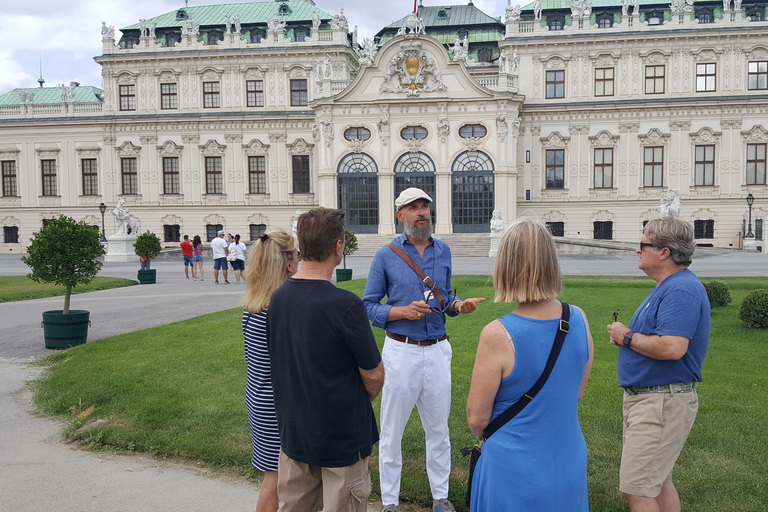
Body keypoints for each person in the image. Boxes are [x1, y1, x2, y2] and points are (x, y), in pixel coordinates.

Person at [362, 188, 485, 512]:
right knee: (391, 431)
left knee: (438, 430)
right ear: (399, 215)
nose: (422, 212)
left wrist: (460, 305)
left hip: (438, 351)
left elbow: (443, 300)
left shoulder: (442, 250)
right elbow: (367, 306)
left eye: (425, 207)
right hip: (401, 351)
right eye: (413, 207)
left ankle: (440, 499)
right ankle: (389, 502)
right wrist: (401, 312)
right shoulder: (385, 254)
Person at [466, 219, 594, 511]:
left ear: (506, 266)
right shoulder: (578, 318)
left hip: (513, 471)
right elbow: (574, 393)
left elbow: (477, 419)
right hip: (568, 460)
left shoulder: (498, 334)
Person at [268, 208, 384, 512]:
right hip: (341, 438)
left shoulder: (278, 298)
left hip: (295, 431)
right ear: (338, 247)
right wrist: (357, 400)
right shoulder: (345, 305)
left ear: (302, 247)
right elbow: (373, 375)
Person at [607, 216, 710, 512]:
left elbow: (672, 347)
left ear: (664, 251)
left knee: (637, 489)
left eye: (643, 244)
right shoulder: (670, 286)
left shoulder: (680, 289)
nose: (638, 250)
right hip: (656, 400)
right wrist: (630, 338)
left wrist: (627, 336)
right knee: (658, 482)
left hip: (661, 402)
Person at [243, 229, 299, 512]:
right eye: (297, 255)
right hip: (275, 403)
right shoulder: (279, 308)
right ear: (288, 263)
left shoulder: (254, 303)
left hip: (258, 394)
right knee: (276, 480)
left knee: (275, 477)